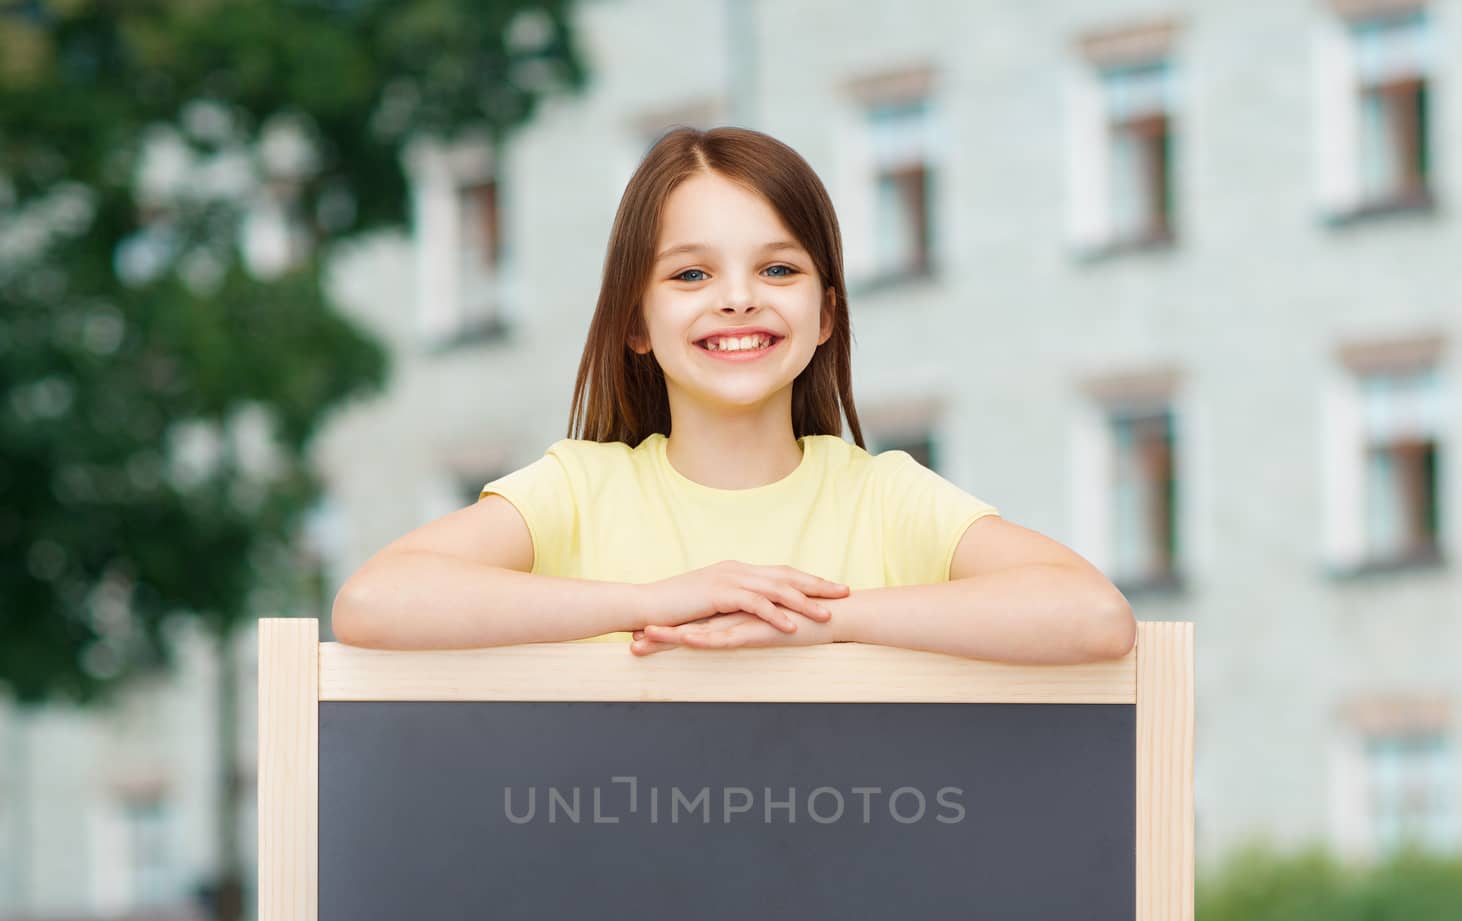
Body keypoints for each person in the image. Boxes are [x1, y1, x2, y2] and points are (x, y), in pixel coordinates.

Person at [332, 126, 1135, 664]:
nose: (739, 299)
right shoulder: (578, 491)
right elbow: (373, 603)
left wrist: (818, 624)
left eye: (778, 269)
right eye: (690, 275)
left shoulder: (883, 497)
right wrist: (659, 601)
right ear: (636, 323)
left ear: (826, 315)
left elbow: (1094, 617)